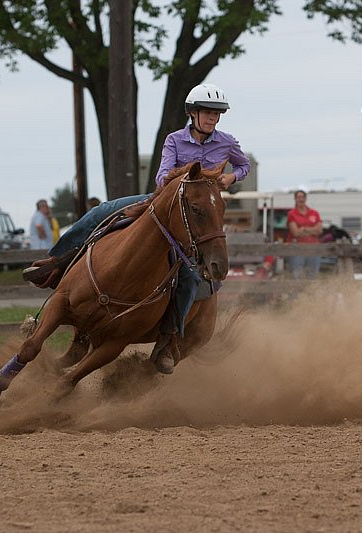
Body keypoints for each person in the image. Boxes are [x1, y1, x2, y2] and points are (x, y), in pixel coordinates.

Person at [23, 83, 249, 374]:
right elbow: (161, 178)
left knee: (190, 276)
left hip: (196, 214)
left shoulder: (227, 143)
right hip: (165, 203)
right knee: (101, 212)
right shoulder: (175, 140)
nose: (212, 119)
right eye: (207, 112)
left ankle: (168, 338)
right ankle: (55, 262)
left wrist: (232, 178)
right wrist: (182, 179)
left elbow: (243, 167)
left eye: (217, 114)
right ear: (192, 113)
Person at [287, 189, 323, 279]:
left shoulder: (314, 213)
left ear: (306, 198)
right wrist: (312, 230)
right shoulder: (292, 214)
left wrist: (304, 229)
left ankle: (310, 293)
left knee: (313, 276)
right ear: (295, 199)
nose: (301, 199)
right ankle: (298, 293)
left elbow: (319, 230)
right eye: (299, 197)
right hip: (298, 249)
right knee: (297, 276)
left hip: (313, 249)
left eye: (303, 197)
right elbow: (295, 233)